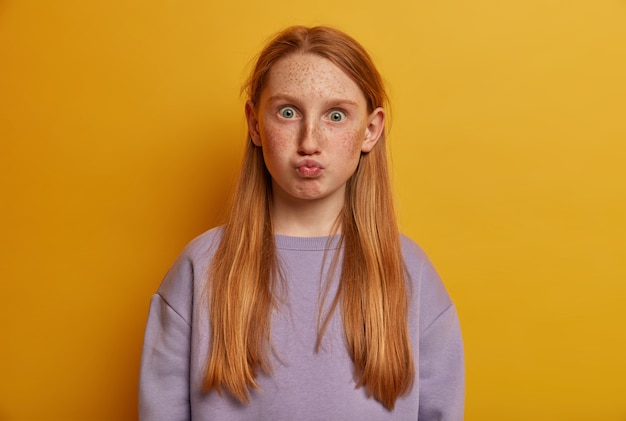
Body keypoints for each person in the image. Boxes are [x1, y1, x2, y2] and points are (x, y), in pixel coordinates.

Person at [139, 25, 464, 420]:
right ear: (256, 124)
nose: (309, 140)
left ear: (371, 130)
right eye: (288, 112)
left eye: (336, 115)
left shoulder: (411, 274)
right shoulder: (201, 268)